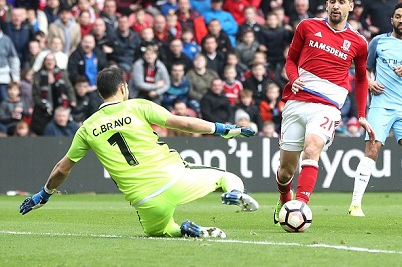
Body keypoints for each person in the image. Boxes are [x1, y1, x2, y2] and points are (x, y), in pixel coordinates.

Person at [20, 66, 259, 239]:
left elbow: (63, 167)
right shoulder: (138, 106)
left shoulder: (88, 128)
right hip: (174, 178)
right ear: (123, 88)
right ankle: (234, 193)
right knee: (226, 177)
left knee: (159, 231)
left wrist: (43, 194)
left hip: (145, 200)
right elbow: (183, 123)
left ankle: (184, 229)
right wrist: (222, 129)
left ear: (100, 94)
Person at [273, 0, 375, 224]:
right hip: (296, 102)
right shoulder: (307, 27)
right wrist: (294, 78)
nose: (336, 6)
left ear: (351, 6)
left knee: (312, 148)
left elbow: (361, 79)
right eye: (332, 1)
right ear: (326, 4)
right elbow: (291, 60)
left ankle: (300, 207)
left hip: (327, 105)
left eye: (341, 2)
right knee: (286, 169)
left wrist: (361, 114)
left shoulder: (359, 42)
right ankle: (285, 198)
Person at [348, 2, 402, 217]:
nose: (401, 20)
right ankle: (355, 204)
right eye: (398, 17)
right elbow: (362, 69)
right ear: (392, 20)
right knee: (372, 150)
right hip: (380, 105)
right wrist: (370, 82)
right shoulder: (378, 42)